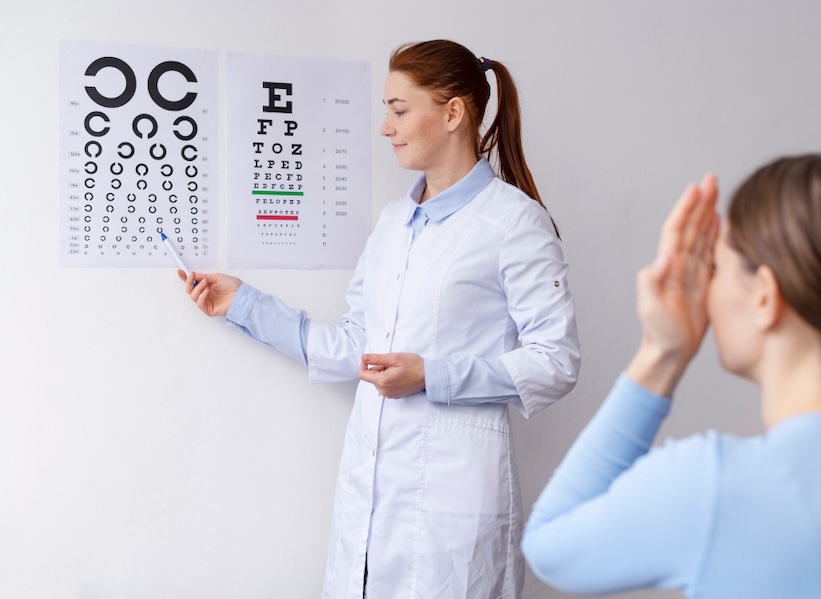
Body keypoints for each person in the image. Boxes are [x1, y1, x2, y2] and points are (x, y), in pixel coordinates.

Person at [180, 40, 579, 598]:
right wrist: (243, 304)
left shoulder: (514, 223)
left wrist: (430, 375)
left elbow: (555, 362)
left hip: (452, 502)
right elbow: (355, 346)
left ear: (453, 112)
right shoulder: (395, 222)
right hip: (370, 499)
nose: (385, 127)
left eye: (398, 109)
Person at [522, 146, 821, 598]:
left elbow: (550, 545)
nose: (707, 288)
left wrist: (660, 355)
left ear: (764, 296)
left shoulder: (715, 488)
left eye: (716, 267)